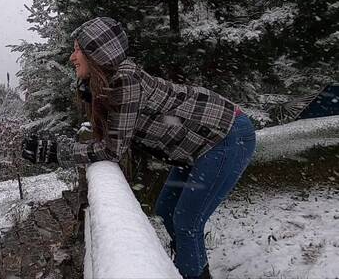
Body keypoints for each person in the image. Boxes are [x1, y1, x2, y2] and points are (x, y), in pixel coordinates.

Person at [22, 17, 256, 279]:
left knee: (186, 221)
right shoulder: (110, 84)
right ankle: (192, 264)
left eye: (78, 49)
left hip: (225, 136)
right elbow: (109, 138)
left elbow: (112, 150)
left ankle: (192, 272)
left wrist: (58, 152)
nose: (72, 57)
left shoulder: (125, 82)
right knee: (166, 209)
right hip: (196, 147)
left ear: (97, 54)